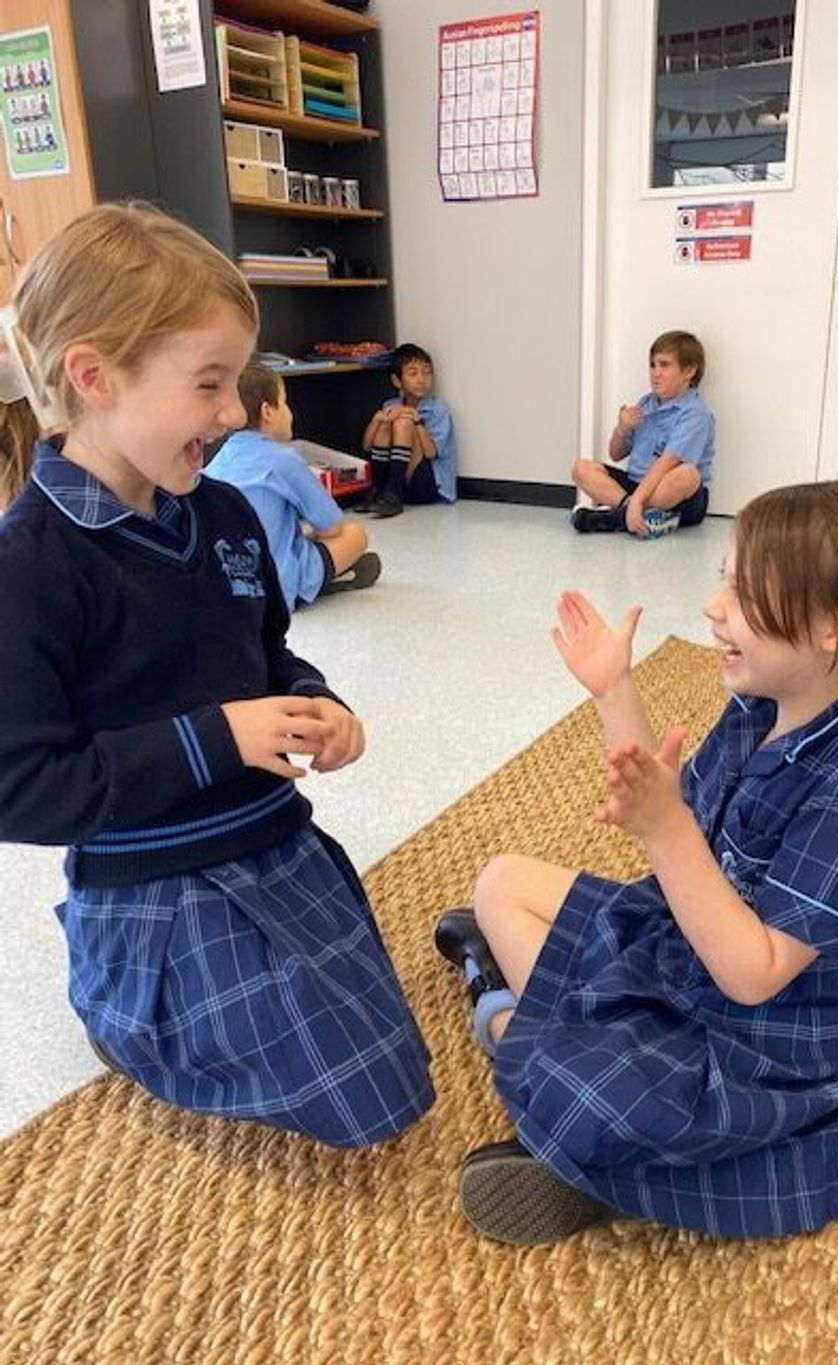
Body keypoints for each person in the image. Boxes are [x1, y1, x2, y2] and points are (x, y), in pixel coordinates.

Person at [0, 203, 433, 1147]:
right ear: (94, 377)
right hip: (157, 882)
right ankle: (116, 1000)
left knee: (389, 1067)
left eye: (237, 381)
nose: (236, 412)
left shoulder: (226, 512)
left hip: (272, 839)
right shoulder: (28, 565)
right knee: (362, 1096)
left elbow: (269, 653)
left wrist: (315, 702)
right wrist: (218, 738)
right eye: (209, 384)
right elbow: (22, 789)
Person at [435, 479, 838, 1245]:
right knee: (500, 881)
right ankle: (558, 1060)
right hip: (685, 937)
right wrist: (614, 689)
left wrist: (667, 831)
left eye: (745, 594)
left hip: (764, 1036)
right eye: (723, 580)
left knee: (596, 1091)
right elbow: (667, 805)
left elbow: (754, 973)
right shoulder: (761, 702)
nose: (713, 607)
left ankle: (508, 1020)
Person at [205, 361, 381, 610]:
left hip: (225, 588)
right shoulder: (285, 459)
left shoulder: (215, 462)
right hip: (276, 588)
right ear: (267, 411)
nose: (289, 411)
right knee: (355, 534)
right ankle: (314, 583)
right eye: (285, 402)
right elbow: (332, 526)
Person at [571, 329, 715, 537]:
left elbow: (668, 462)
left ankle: (613, 518)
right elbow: (616, 454)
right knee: (581, 468)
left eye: (665, 365)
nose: (656, 373)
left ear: (689, 371)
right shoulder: (646, 404)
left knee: (688, 475)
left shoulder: (695, 413)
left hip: (680, 497)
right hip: (636, 485)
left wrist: (638, 500)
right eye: (652, 365)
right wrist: (622, 429)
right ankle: (640, 515)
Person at [356, 342, 456, 518]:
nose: (421, 379)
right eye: (413, 373)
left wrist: (417, 423)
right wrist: (376, 420)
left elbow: (431, 453)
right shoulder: (390, 405)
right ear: (397, 381)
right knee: (387, 422)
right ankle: (378, 490)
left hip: (428, 486)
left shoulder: (438, 410)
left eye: (427, 372)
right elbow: (366, 446)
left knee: (404, 422)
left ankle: (393, 494)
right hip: (401, 484)